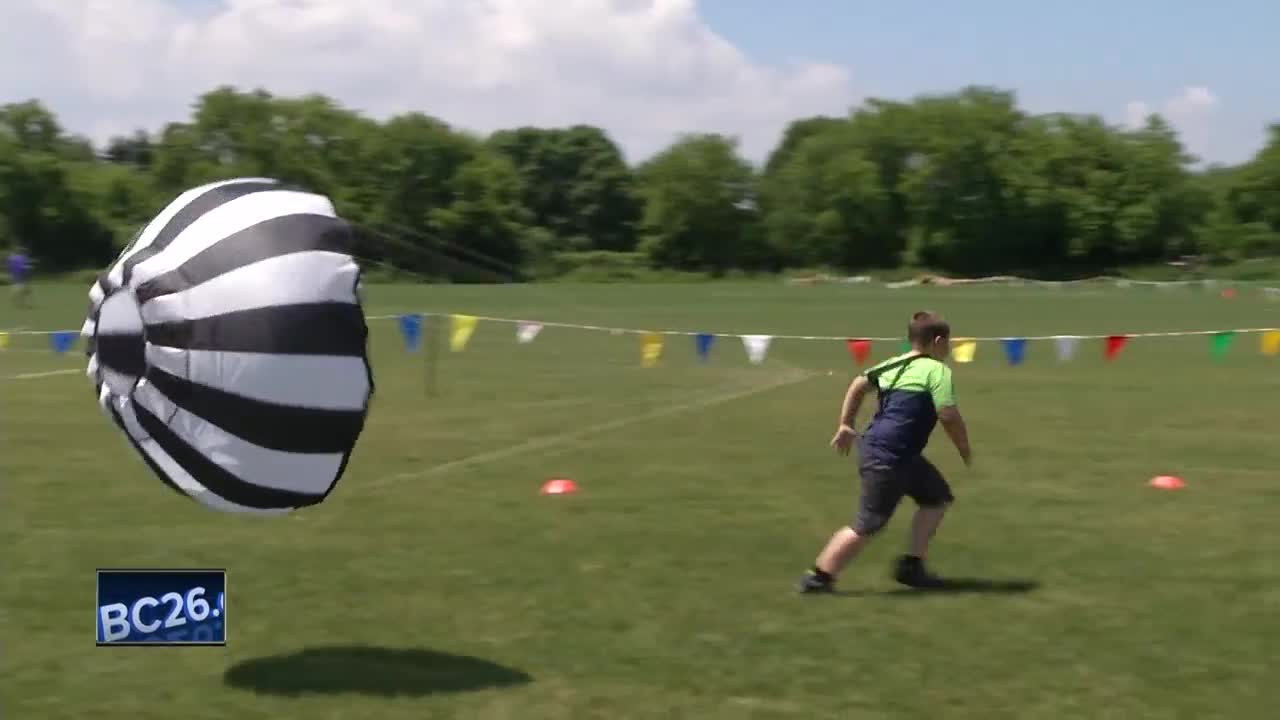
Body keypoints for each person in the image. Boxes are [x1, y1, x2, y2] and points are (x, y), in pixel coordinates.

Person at [798, 311, 972, 593]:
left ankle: (912, 567)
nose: (949, 349)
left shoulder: (893, 365)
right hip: (889, 456)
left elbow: (857, 385)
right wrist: (963, 447)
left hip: (896, 453)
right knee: (868, 523)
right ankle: (818, 577)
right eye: (947, 343)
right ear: (938, 341)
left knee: (936, 498)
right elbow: (948, 415)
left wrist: (845, 424)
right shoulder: (937, 371)